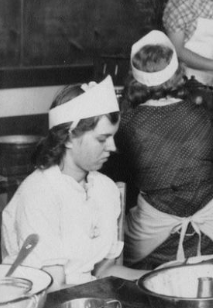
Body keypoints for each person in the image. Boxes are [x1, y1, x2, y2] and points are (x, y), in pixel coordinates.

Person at [1, 77, 147, 288]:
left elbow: (104, 271)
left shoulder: (105, 189)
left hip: (86, 298)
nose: (112, 147)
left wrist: (152, 277)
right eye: (102, 139)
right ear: (68, 138)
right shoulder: (39, 192)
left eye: (113, 137)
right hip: (47, 304)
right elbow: (54, 287)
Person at [116, 31, 213, 268]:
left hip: (152, 232)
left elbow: (124, 175)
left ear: (135, 79)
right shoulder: (202, 114)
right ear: (178, 73)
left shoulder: (127, 123)